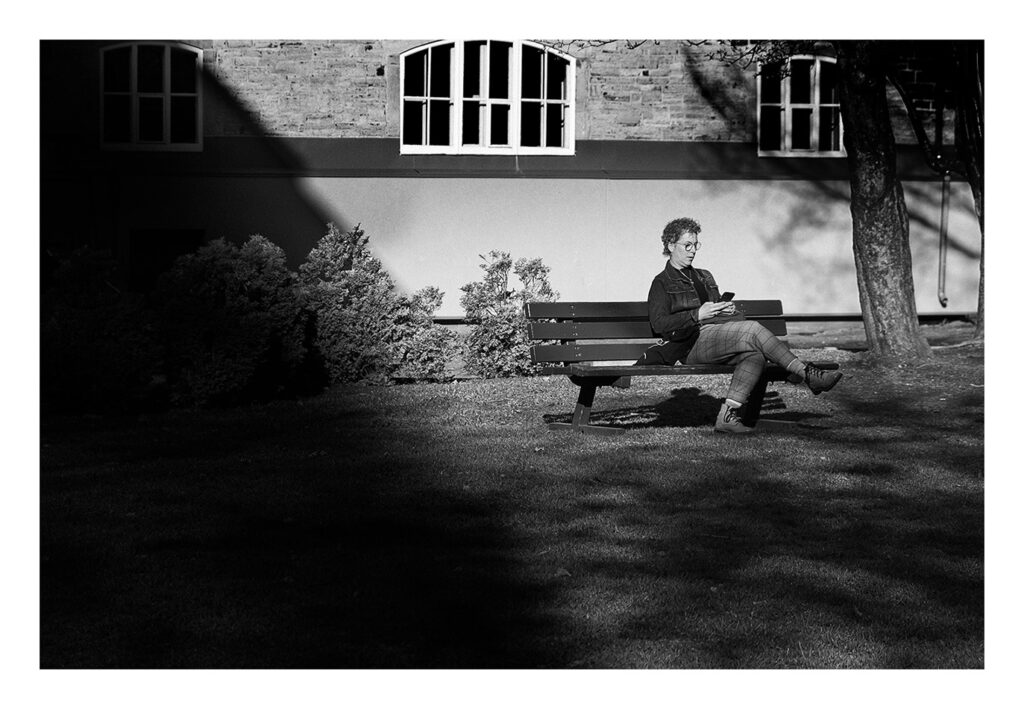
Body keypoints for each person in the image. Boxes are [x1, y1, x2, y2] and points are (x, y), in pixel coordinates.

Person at [637, 217, 842, 433]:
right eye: (687, 245)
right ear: (670, 245)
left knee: (754, 355)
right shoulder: (661, 282)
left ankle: (727, 417)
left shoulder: (704, 276)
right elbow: (659, 324)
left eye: (695, 245)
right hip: (690, 344)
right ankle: (807, 374)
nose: (693, 251)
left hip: (717, 335)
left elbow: (713, 311)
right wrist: (696, 314)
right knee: (752, 329)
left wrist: (724, 310)